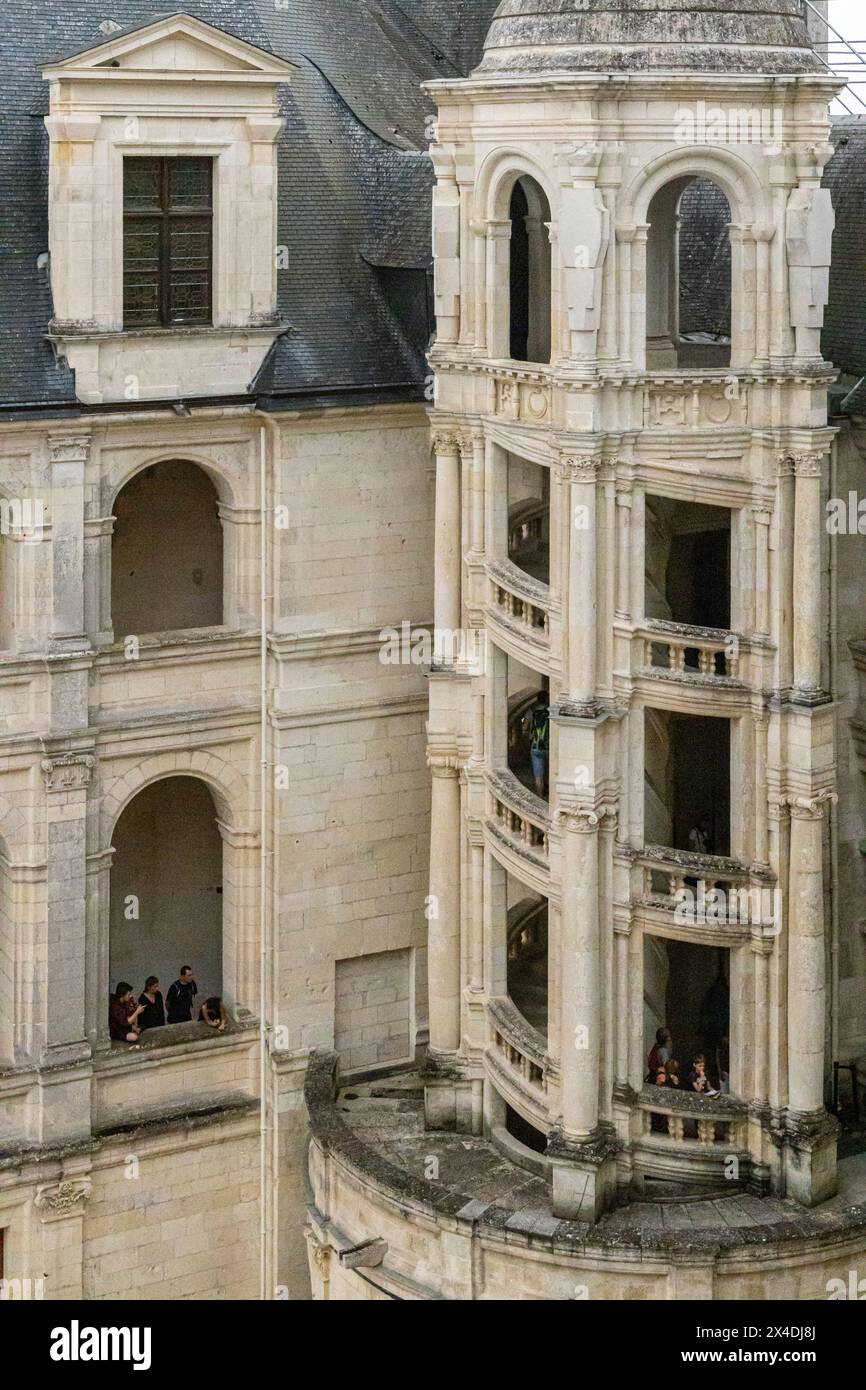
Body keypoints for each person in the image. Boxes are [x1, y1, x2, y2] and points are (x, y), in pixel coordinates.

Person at [523, 693, 549, 797]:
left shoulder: (531, 711)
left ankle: (540, 797)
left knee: (538, 775)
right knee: (549, 771)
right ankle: (549, 795)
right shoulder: (550, 710)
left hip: (535, 747)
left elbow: (524, 728)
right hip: (548, 747)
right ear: (547, 699)